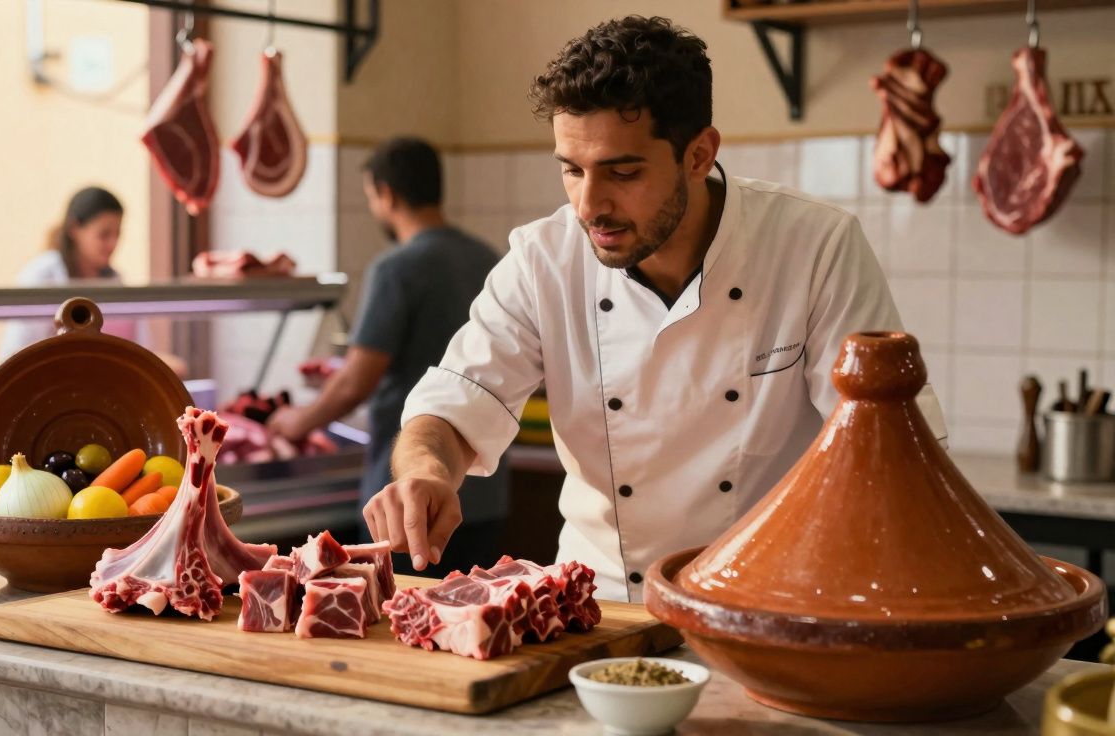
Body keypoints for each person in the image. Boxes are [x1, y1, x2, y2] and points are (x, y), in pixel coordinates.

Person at [362, 17, 947, 600]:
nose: (590, 204)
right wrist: (425, 473)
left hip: (770, 604)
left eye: (623, 171)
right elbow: (452, 410)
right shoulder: (543, 259)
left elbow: (891, 437)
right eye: (572, 170)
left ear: (699, 154)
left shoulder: (814, 247)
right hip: (601, 607)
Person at [267, 137, 510, 573]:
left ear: (387, 193)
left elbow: (357, 381)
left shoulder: (396, 267)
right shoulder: (487, 257)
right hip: (485, 498)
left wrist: (296, 422)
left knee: (401, 626)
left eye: (370, 198)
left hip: (405, 503)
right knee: (470, 621)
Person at [0, 187, 149, 360]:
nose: (113, 244)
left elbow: (141, 348)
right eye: (104, 234)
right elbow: (18, 354)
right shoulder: (41, 277)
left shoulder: (116, 282)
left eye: (118, 234)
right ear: (74, 229)